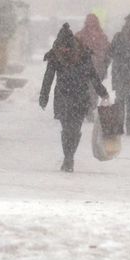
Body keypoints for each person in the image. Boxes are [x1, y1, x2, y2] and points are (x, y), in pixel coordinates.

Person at [39, 24, 110, 172]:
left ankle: (69, 156)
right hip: (65, 97)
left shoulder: (83, 55)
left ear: (72, 45)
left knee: (75, 130)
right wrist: (43, 95)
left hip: (79, 97)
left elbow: (93, 76)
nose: (63, 50)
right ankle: (68, 157)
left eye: (66, 47)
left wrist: (102, 92)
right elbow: (48, 78)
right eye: (60, 47)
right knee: (67, 129)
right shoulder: (56, 56)